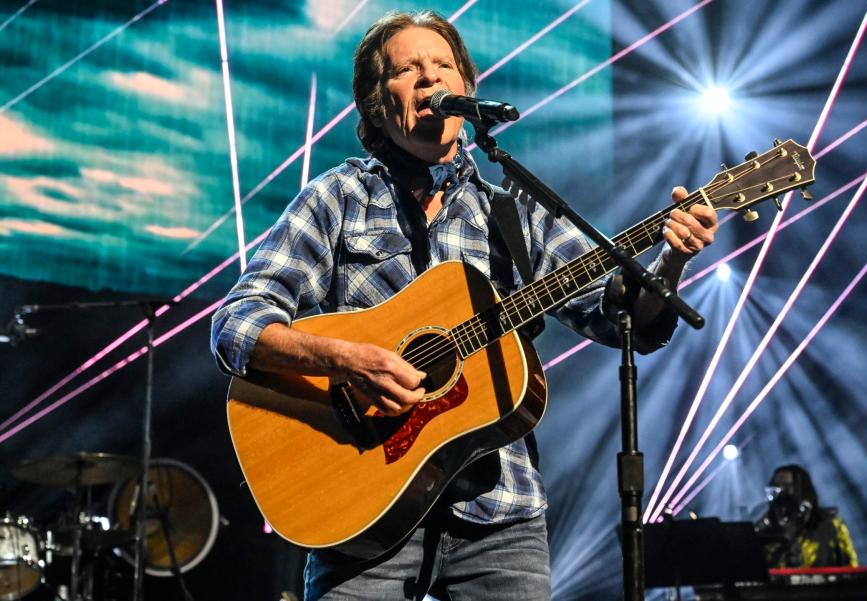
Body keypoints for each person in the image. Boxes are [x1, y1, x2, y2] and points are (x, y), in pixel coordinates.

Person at [211, 10, 718, 601]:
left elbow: (619, 317)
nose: (430, 79)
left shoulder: (512, 212)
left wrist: (671, 259)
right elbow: (237, 323)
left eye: (443, 66)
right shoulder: (337, 198)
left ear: (466, 92)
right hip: (361, 514)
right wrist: (349, 361)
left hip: (499, 514)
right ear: (378, 106)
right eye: (408, 70)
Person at [755, 464, 858, 569]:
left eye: (787, 486)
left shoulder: (829, 525)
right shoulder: (764, 530)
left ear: (802, 490)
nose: (780, 491)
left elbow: (850, 567)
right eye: (776, 487)